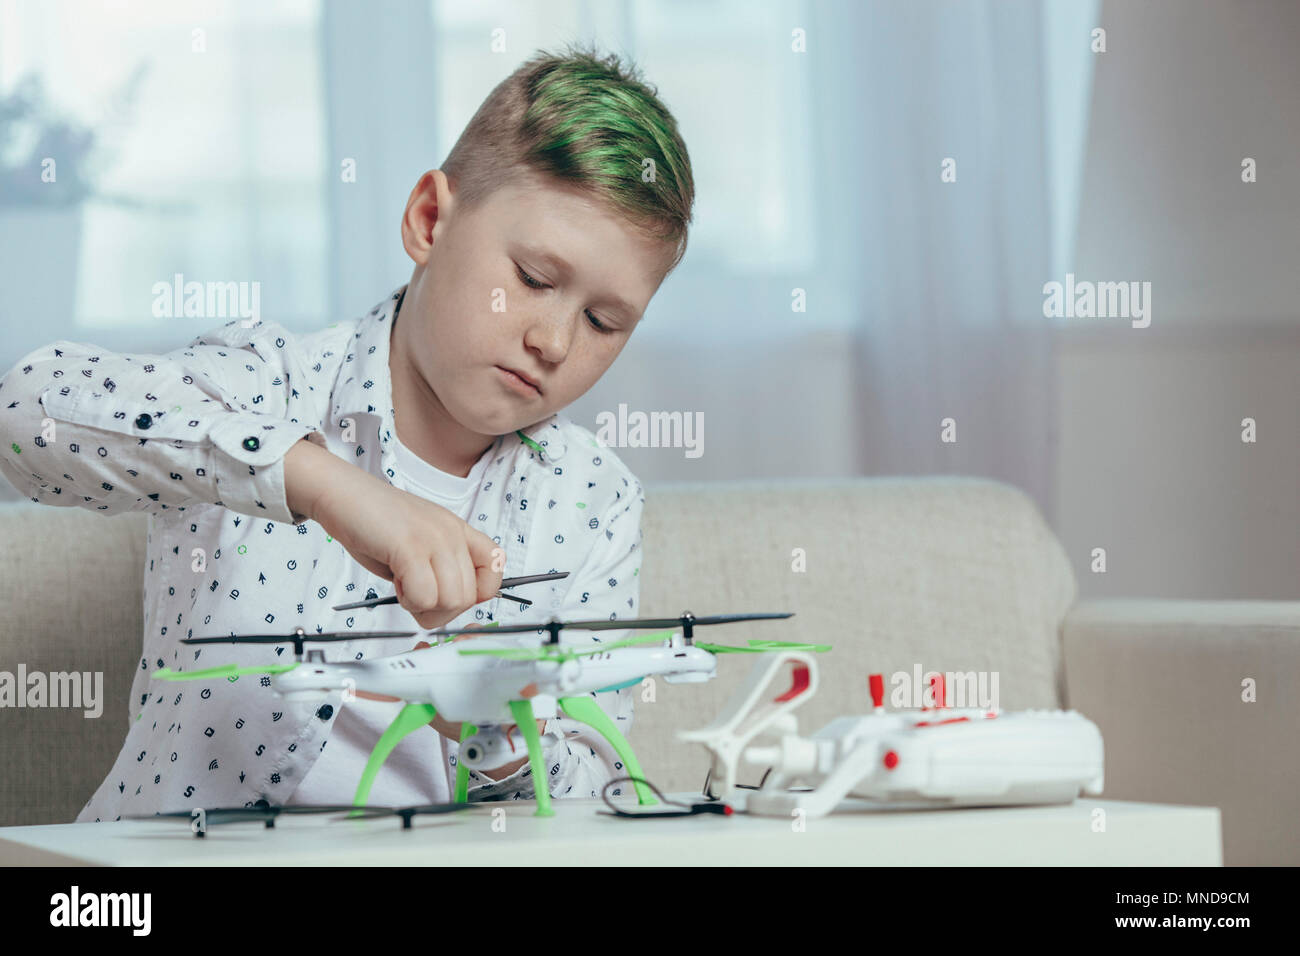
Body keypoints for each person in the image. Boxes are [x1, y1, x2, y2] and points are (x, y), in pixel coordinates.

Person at [0, 44, 694, 821]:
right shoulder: (267, 384)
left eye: (604, 322)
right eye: (533, 280)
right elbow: (28, 413)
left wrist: (495, 725)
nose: (556, 342)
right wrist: (320, 482)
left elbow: (593, 803)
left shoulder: (594, 501)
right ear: (430, 220)